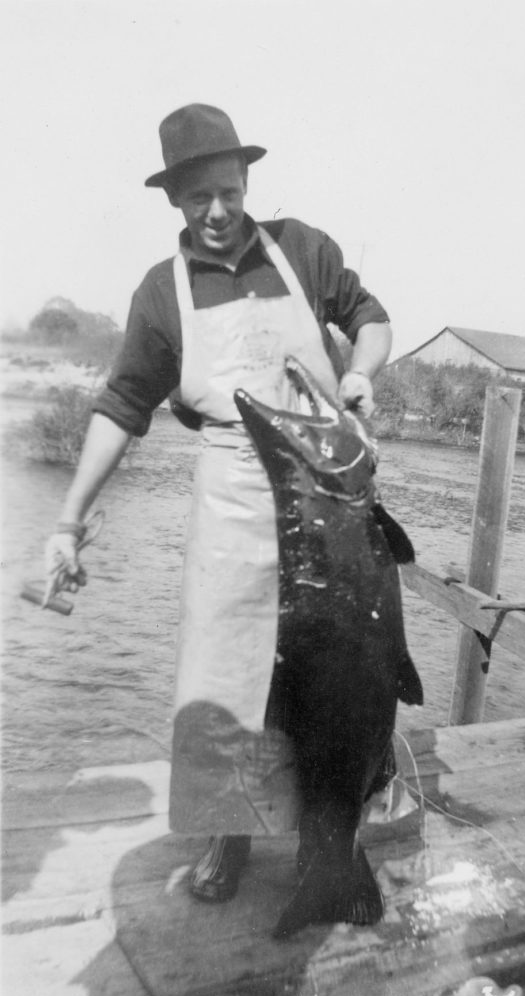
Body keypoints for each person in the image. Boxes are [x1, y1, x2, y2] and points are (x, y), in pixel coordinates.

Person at [45, 103, 393, 904]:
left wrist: (362, 372)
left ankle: (332, 836)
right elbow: (122, 406)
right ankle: (227, 838)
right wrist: (67, 521)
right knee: (226, 673)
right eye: (198, 197)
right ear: (173, 199)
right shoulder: (161, 293)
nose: (216, 211)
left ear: (246, 183)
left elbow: (367, 319)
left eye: (228, 192)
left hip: (328, 491)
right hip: (232, 498)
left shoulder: (302, 247)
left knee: (340, 673)